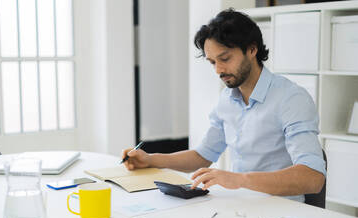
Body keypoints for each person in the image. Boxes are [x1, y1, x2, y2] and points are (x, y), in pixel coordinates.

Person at [121, 8, 326, 202]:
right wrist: (150, 159)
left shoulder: (291, 98)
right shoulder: (227, 99)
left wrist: (239, 180)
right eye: (212, 62)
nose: (218, 70)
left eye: (225, 58)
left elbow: (313, 178)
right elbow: (202, 156)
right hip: (238, 206)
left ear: (252, 49)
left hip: (282, 211)